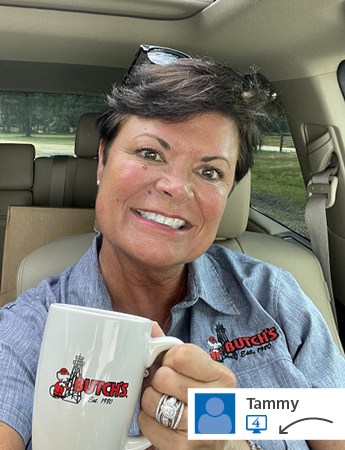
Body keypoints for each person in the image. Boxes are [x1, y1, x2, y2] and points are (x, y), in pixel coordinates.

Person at [0, 44, 344, 450]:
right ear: (103, 160)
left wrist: (232, 443)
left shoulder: (274, 295)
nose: (176, 187)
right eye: (150, 153)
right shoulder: (26, 330)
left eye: (210, 171)